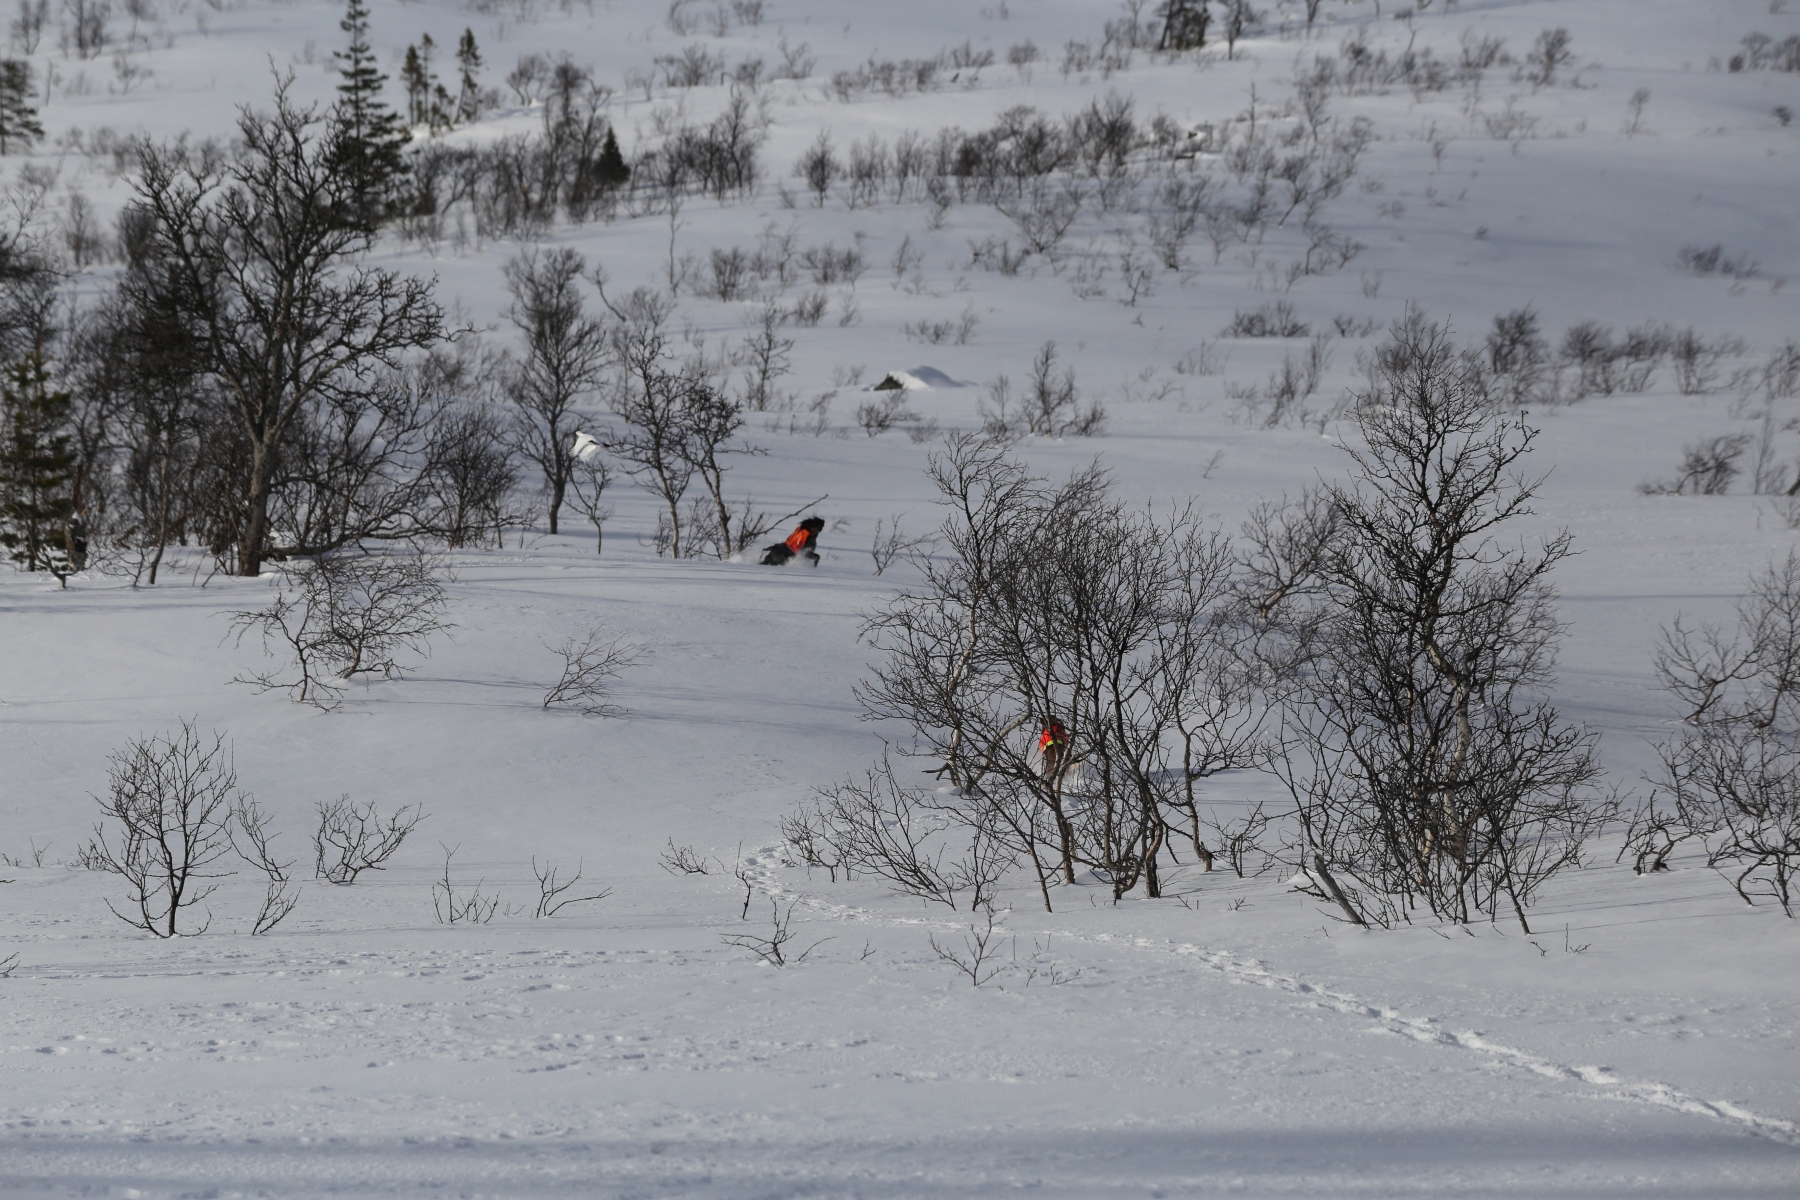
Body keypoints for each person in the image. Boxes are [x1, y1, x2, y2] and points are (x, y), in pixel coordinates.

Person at [759, 516, 824, 566]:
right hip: (782, 553)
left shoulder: (802, 531)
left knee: (765, 565)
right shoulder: (805, 535)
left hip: (779, 549)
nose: (817, 531)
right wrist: (816, 558)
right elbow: (803, 552)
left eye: (819, 529)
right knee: (777, 567)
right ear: (811, 527)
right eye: (816, 529)